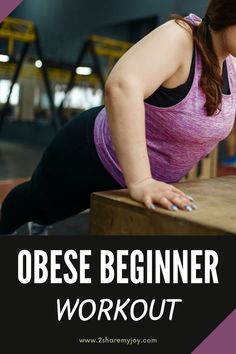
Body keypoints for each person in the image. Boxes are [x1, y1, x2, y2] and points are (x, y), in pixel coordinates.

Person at [1, 0, 236, 235]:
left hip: (136, 177)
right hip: (91, 157)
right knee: (35, 207)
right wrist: (141, 181)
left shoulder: (231, 63)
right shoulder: (181, 37)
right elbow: (122, 86)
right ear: (229, 15)